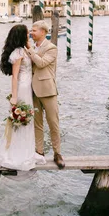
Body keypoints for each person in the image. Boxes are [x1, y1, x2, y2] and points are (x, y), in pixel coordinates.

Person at [0, 24, 46, 171]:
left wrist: (29, 45)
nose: (29, 35)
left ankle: (26, 151)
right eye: (26, 33)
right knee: (22, 119)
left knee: (28, 119)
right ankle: (17, 153)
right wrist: (14, 96)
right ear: (21, 36)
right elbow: (14, 77)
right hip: (22, 88)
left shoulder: (24, 50)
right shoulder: (18, 53)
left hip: (27, 87)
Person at [26, 20, 65, 169]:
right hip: (33, 90)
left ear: (43, 32)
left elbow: (41, 63)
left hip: (48, 90)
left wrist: (30, 50)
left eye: (34, 30)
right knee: (37, 124)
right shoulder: (31, 47)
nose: (31, 32)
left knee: (53, 123)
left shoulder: (51, 48)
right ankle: (39, 152)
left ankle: (57, 153)